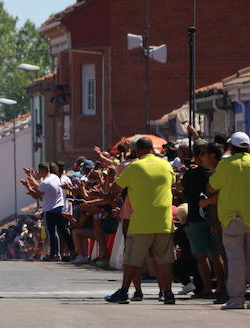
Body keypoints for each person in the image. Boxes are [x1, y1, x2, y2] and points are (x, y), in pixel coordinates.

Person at [105, 137, 176, 304]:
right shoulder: (166, 165)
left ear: (136, 151)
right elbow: (172, 182)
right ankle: (168, 293)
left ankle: (123, 291)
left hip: (141, 221)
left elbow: (115, 189)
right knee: (164, 260)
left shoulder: (135, 166)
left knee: (132, 260)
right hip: (164, 220)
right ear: (152, 149)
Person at [208, 131, 250, 310]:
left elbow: (211, 187)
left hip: (232, 219)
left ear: (231, 147)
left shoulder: (226, 164)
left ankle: (237, 299)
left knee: (235, 259)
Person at [182, 140, 226, 299]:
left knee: (202, 256)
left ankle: (208, 288)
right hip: (214, 218)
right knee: (217, 255)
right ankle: (221, 288)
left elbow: (183, 191)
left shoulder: (191, 174)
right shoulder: (216, 172)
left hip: (196, 217)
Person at [22, 162, 73, 261]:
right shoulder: (54, 177)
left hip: (50, 209)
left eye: (39, 172)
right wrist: (30, 177)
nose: (38, 173)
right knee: (62, 231)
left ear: (42, 171)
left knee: (52, 233)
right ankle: (71, 250)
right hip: (59, 207)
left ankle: (54, 254)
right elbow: (40, 187)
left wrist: (27, 186)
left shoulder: (46, 183)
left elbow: (37, 195)